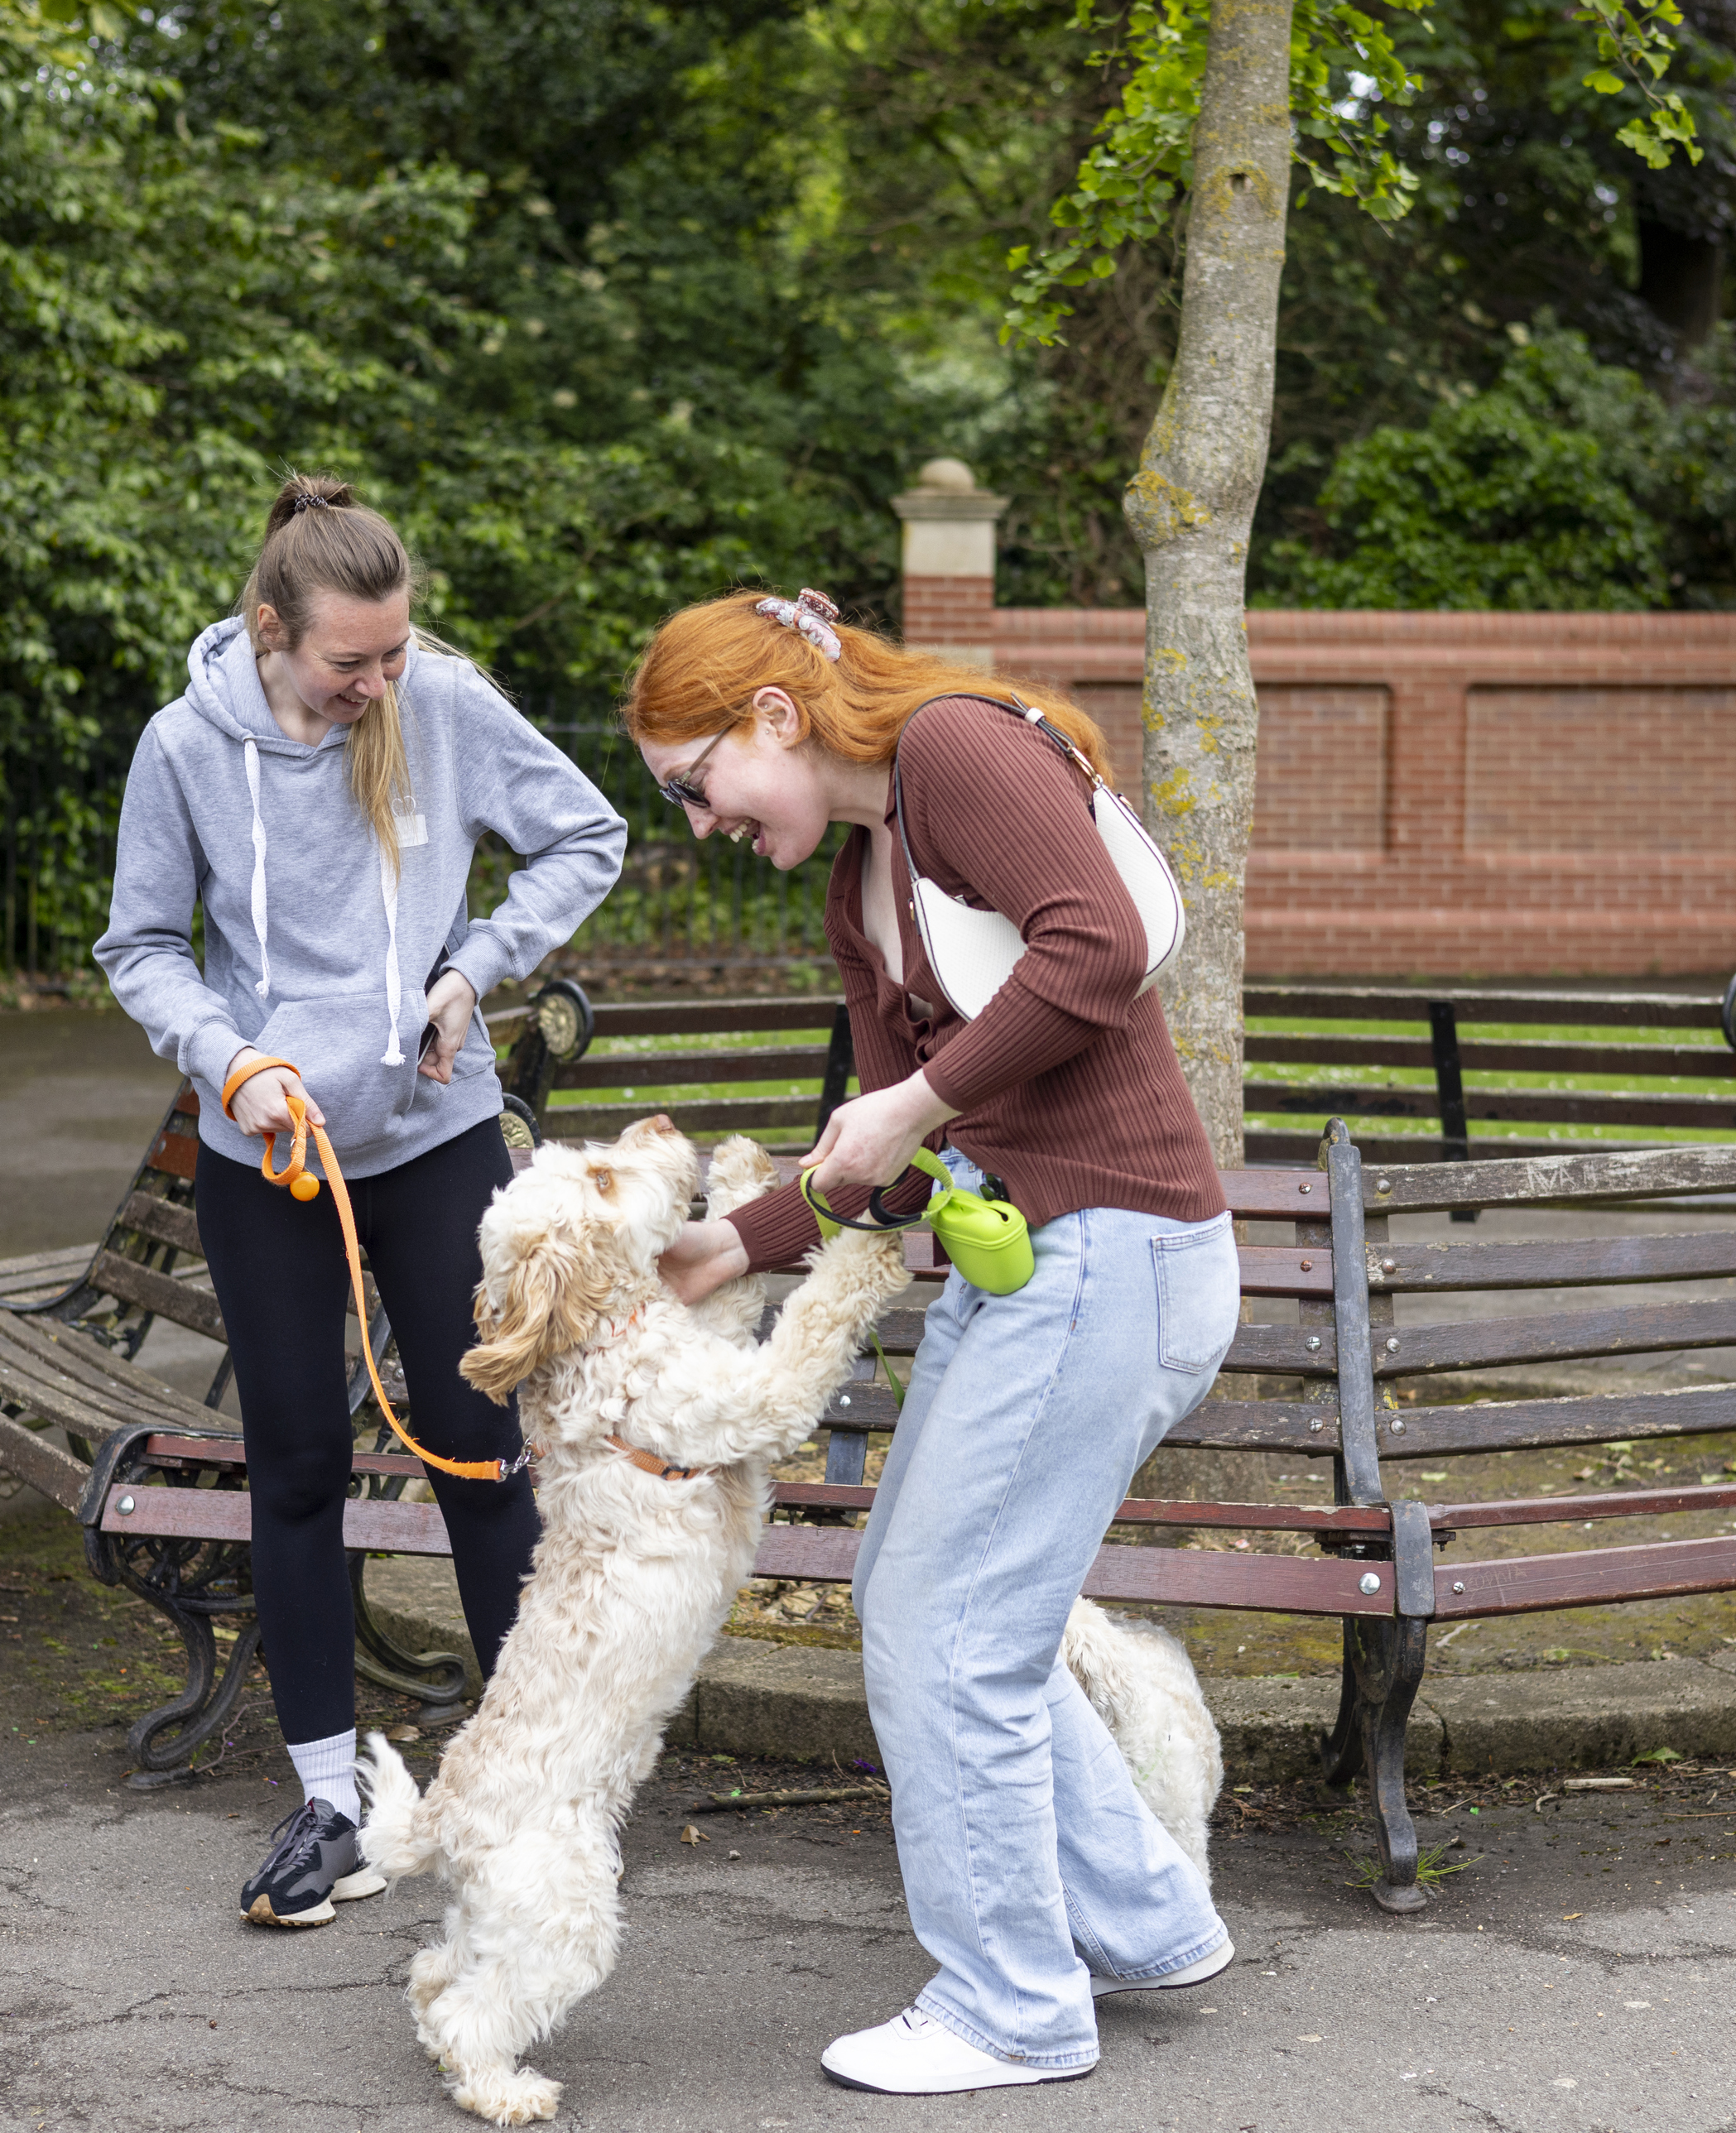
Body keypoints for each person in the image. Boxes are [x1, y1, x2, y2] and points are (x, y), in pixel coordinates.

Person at [623, 588, 1238, 2094]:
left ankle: (1012, 2005)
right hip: (1041, 1270)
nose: (697, 823)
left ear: (771, 718)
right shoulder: (861, 887)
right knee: (934, 1607)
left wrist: (918, 1095)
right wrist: (730, 1245)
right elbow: (886, 1172)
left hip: (1116, 1252)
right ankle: (1142, 1921)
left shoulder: (956, 754)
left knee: (951, 1633)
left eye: (691, 784)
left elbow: (1093, 942)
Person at [94, 474, 624, 1928]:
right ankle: (329, 1795)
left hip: (436, 1133)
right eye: (350, 663)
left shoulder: (439, 705)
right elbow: (141, 946)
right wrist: (232, 1057)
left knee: (470, 1446)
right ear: (273, 629)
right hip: (273, 1158)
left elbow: (589, 835)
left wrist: (472, 971)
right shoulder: (182, 749)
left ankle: (528, 1779)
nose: (379, 685)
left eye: (395, 653)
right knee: (302, 1464)